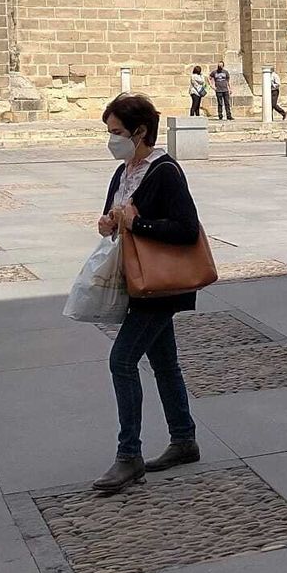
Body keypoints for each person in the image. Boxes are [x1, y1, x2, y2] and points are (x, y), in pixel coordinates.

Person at [92, 93, 203, 492]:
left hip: (159, 285)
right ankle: (184, 439)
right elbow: (115, 216)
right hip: (136, 282)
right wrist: (108, 223)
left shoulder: (165, 172)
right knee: (164, 362)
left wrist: (139, 226)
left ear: (141, 131)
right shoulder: (123, 173)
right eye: (109, 132)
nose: (111, 139)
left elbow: (187, 229)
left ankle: (129, 456)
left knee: (121, 360)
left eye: (117, 132)